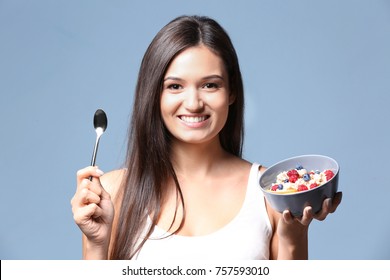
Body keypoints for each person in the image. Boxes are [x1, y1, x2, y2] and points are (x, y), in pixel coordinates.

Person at [71, 15, 342, 260]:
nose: (193, 103)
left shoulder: (268, 195)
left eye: (210, 85)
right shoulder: (110, 193)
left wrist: (293, 235)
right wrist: (96, 243)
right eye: (175, 86)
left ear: (231, 92)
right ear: (154, 95)